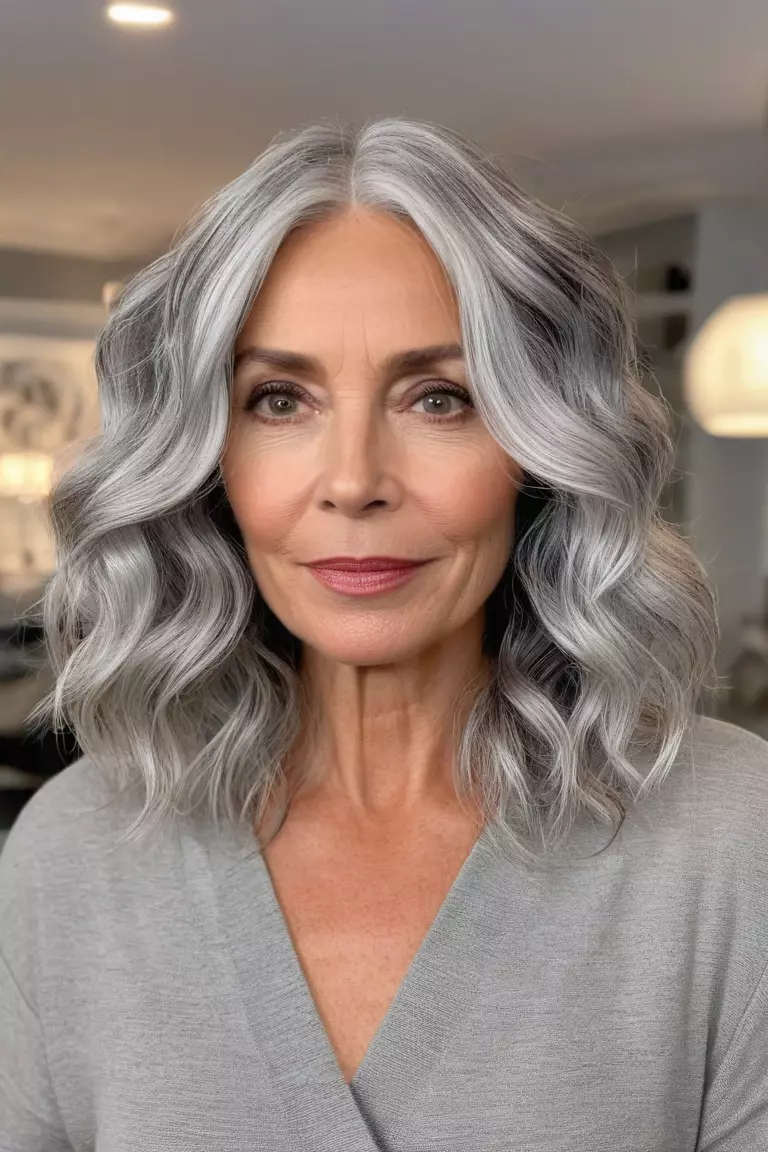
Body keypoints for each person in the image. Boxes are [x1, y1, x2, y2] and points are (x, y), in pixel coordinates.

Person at [1, 117, 767, 1152]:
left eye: (438, 397)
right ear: (206, 458)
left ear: (535, 447)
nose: (355, 480)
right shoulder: (74, 852)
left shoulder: (731, 841)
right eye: (279, 400)